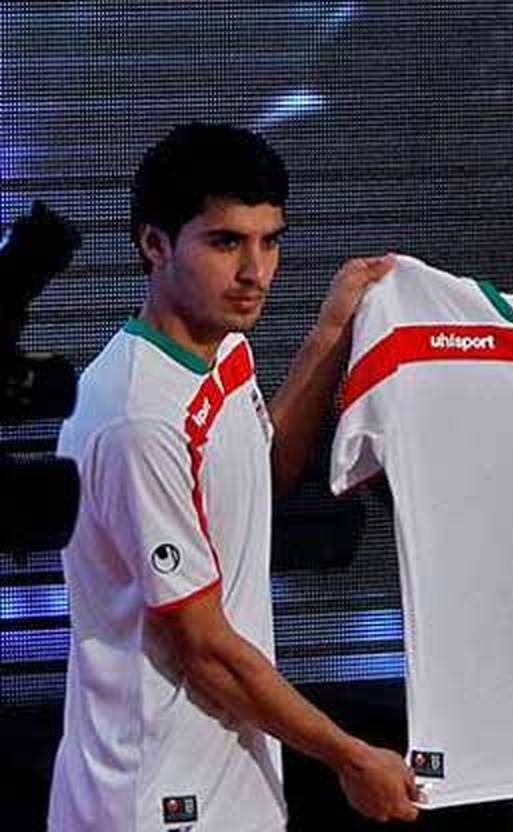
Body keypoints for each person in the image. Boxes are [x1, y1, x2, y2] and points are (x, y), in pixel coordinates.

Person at [48, 122, 420, 830]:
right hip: (155, 802)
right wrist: (349, 756)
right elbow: (205, 651)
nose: (255, 271)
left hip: (231, 787)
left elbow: (259, 476)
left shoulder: (222, 349)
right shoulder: (139, 420)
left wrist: (332, 331)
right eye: (226, 243)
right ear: (154, 244)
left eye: (269, 241)